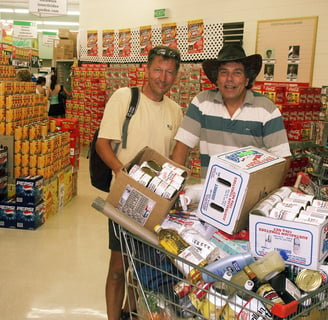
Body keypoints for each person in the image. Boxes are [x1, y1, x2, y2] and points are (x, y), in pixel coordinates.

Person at [95, 45, 183, 320]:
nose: (163, 77)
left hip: (157, 205)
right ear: (146, 69)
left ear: (176, 76)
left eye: (169, 72)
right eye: (158, 69)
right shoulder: (124, 98)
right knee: (119, 266)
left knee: (143, 266)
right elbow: (102, 144)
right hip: (125, 199)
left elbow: (173, 159)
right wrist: (126, 175)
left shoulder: (176, 111)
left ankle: (129, 312)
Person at [171, 44, 291, 184]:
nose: (229, 78)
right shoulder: (202, 103)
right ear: (216, 79)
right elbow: (182, 147)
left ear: (247, 79)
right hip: (210, 194)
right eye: (224, 72)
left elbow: (283, 160)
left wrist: (266, 194)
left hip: (249, 197)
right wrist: (174, 185)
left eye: (237, 72)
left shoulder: (266, 109)